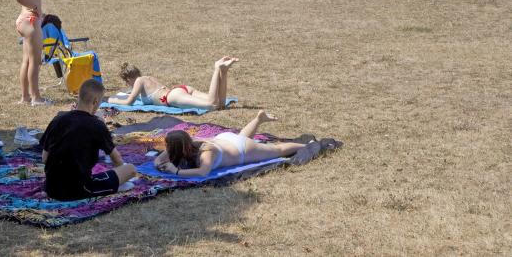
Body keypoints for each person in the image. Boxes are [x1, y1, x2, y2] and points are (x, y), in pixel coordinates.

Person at [41, 79, 137, 200]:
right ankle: (114, 185)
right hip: (78, 189)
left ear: (79, 96)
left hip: (51, 188)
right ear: (96, 101)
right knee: (131, 169)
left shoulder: (57, 120)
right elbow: (117, 160)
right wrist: (119, 175)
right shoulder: (96, 125)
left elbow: (44, 158)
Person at [153, 111, 324, 177]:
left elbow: (203, 172)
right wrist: (160, 163)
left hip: (242, 149)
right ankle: (258, 119)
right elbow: (158, 160)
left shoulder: (206, 152)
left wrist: (175, 171)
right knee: (243, 137)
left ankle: (307, 145)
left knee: (277, 150)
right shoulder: (185, 145)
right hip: (228, 140)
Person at [107, 57, 239, 110]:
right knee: (220, 105)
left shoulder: (138, 81)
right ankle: (224, 72)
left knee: (212, 104)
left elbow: (129, 101)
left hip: (173, 97)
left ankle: (217, 69)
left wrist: (113, 100)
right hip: (182, 90)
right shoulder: (147, 78)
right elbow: (133, 93)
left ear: (128, 79)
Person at [15, 0, 51, 105]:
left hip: (29, 21)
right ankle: (36, 97)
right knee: (35, 62)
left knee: (27, 61)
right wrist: (34, 6)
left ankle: (25, 98)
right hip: (29, 21)